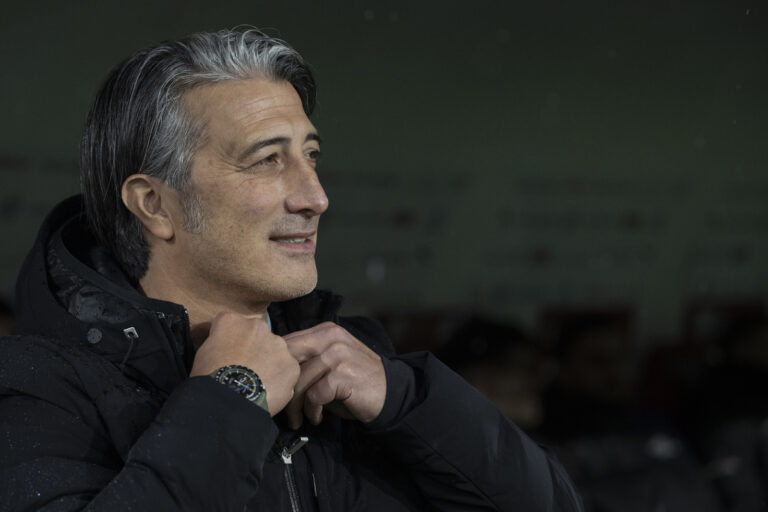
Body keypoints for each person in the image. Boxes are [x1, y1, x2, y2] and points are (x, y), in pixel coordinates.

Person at [0, 28, 582, 511]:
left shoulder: (348, 359)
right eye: (267, 160)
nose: (315, 196)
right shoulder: (35, 388)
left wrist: (408, 399)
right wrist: (231, 398)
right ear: (155, 204)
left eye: (310, 155)